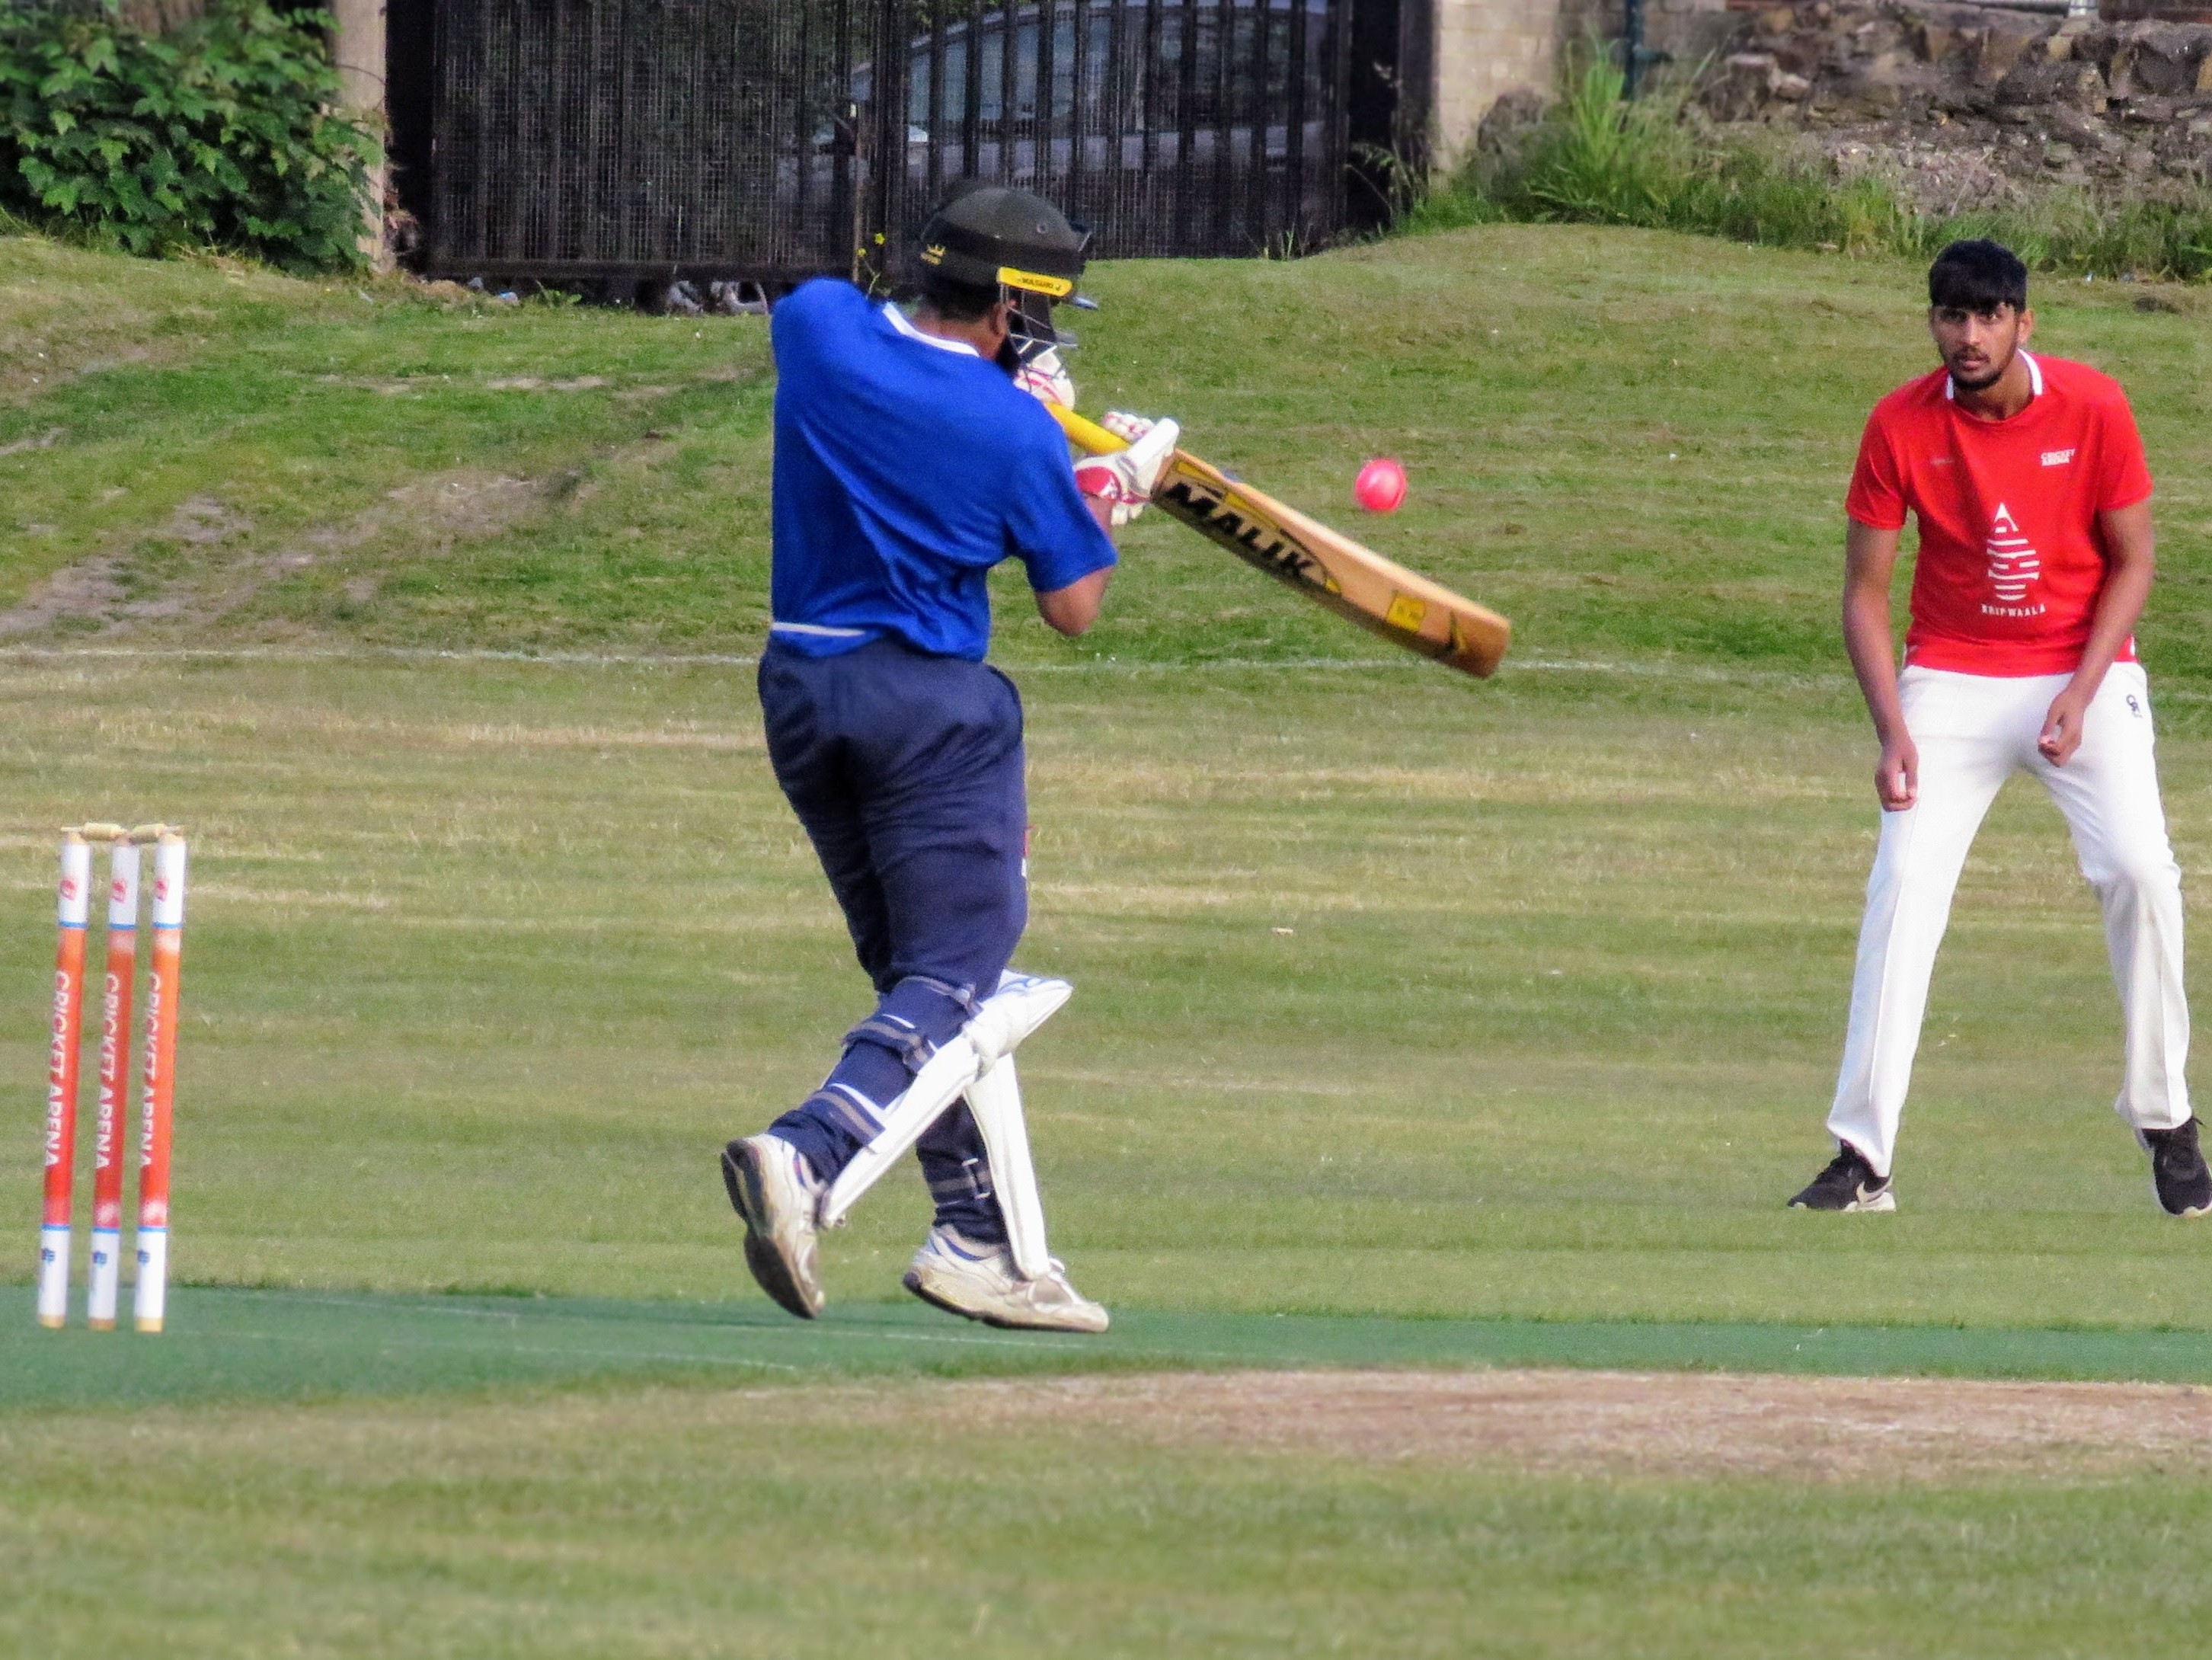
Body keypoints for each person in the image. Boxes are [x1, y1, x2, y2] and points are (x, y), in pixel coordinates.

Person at [720, 185, 1178, 1329]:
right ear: (1016, 310)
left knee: (918, 986)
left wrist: (1015, 403)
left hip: (802, 690)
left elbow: (896, 367)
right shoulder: (1012, 433)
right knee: (961, 969)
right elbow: (1073, 606)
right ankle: (808, 1150)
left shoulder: (818, 327)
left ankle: (979, 1234)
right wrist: (1107, 486)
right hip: (928, 709)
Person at [1790, 238, 2207, 1217]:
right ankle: (1864, 1157)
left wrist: (2083, 688)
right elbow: (1864, 595)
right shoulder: (1898, 423)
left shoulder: (2094, 406)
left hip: (2082, 669)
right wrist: (1894, 730)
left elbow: (2135, 563)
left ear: (2025, 322)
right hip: (1952, 675)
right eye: (1952, 316)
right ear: (1933, 322)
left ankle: (2166, 1118)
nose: (1969, 336)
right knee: (1902, 887)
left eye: (1988, 316)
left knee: (2142, 872)